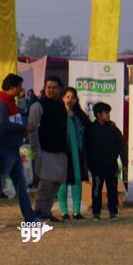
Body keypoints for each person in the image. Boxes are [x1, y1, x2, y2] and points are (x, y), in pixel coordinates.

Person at [0, 74, 36, 228]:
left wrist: (26, 124)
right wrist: (24, 127)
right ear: (13, 87)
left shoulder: (10, 102)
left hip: (13, 149)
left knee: (21, 186)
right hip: (4, 149)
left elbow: (15, 120)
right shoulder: (0, 102)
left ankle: (30, 219)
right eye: (19, 86)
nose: (21, 89)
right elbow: (3, 124)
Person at [28, 76, 68, 222]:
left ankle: (46, 211)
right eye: (48, 87)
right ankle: (39, 212)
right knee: (46, 183)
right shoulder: (38, 106)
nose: (51, 90)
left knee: (56, 182)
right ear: (44, 88)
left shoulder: (61, 106)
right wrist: (35, 148)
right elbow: (32, 128)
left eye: (54, 87)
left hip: (60, 149)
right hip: (44, 149)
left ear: (60, 89)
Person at [86, 102, 127, 221]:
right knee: (97, 189)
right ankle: (96, 212)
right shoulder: (91, 129)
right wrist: (89, 164)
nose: (108, 115)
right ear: (98, 114)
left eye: (109, 112)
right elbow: (87, 148)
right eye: (106, 113)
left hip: (111, 164)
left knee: (112, 189)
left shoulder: (114, 129)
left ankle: (113, 212)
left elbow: (122, 146)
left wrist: (124, 163)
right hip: (97, 165)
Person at [58, 87, 90, 221]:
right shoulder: (58, 114)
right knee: (63, 182)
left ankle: (76, 212)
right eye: (67, 97)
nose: (70, 100)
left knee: (77, 181)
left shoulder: (81, 116)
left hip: (77, 152)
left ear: (76, 99)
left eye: (72, 97)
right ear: (63, 98)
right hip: (62, 152)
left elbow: (88, 131)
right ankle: (64, 212)